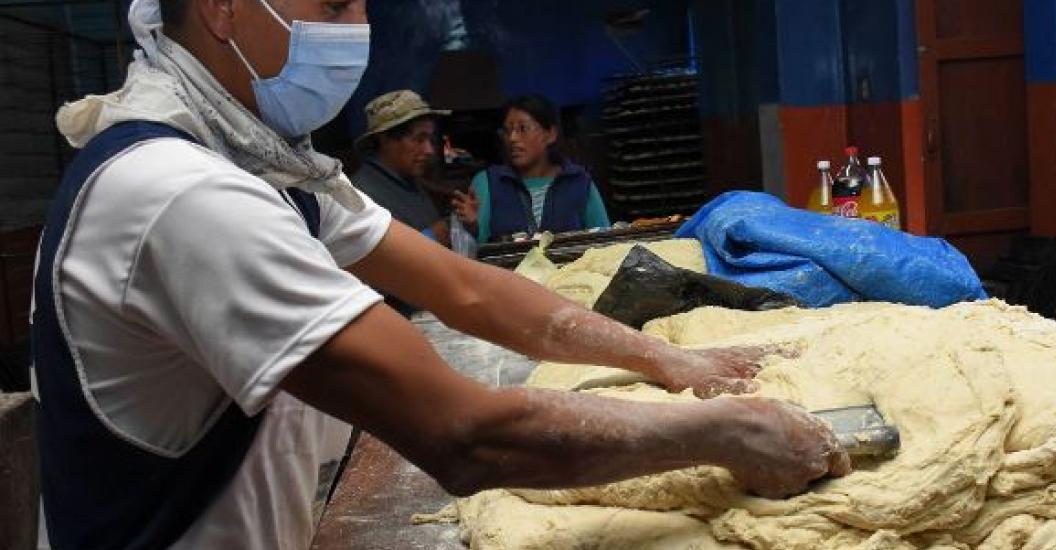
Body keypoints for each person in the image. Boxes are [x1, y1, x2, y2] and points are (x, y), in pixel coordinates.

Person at [32, 0, 849, 548]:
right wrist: (724, 433)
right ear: (220, 8)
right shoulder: (180, 194)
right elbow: (466, 435)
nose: (356, 28)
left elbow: (465, 288)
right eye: (335, 5)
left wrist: (668, 361)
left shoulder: (266, 168)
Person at [452, 94, 610, 243]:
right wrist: (472, 226)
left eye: (523, 129)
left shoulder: (579, 182)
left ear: (550, 135)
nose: (512, 138)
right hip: (505, 271)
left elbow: (605, 242)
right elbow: (478, 248)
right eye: (508, 131)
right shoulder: (488, 182)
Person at [351, 90, 451, 246]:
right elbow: (378, 257)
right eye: (419, 139)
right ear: (385, 140)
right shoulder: (363, 195)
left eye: (430, 140)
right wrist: (432, 236)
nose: (429, 150)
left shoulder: (409, 182)